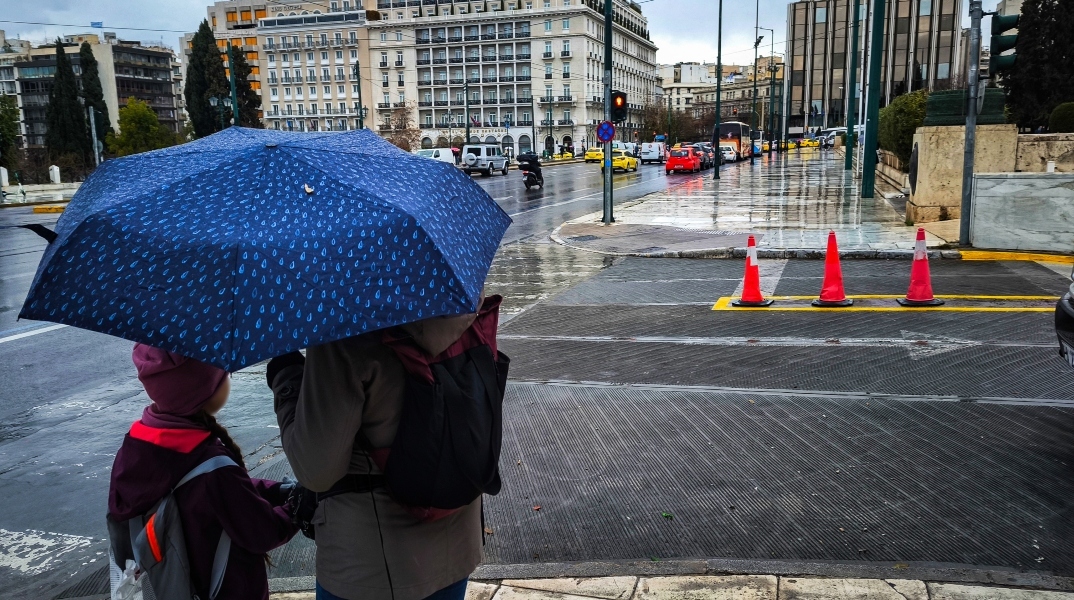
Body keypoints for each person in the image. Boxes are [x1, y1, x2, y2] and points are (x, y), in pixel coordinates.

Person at [268, 298, 501, 600]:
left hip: (372, 568)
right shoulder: (457, 301)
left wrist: (286, 378)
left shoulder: (342, 328)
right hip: (457, 542)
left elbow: (316, 469)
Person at [109, 344, 298, 600]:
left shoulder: (136, 446)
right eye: (223, 374)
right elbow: (263, 531)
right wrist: (298, 507)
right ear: (204, 391)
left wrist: (277, 491)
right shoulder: (213, 468)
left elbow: (216, 495)